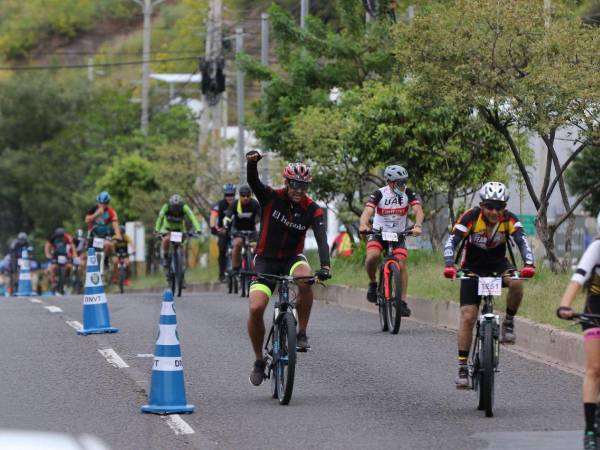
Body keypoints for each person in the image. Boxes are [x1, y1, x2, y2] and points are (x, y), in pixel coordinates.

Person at [245, 150, 331, 386]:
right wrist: (252, 164)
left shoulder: (313, 209)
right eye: (294, 184)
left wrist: (325, 266)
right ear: (286, 182)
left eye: (303, 186)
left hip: (292, 258)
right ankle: (259, 361)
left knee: (305, 279)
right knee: (256, 308)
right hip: (265, 259)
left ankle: (301, 333)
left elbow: (322, 239)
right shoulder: (272, 197)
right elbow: (253, 182)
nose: (298, 190)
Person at [443, 181, 535, 388]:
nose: (494, 211)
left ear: (505, 207)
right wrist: (449, 264)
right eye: (490, 206)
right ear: (482, 205)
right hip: (472, 269)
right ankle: (462, 368)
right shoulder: (470, 217)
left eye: (499, 207)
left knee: (518, 283)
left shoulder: (510, 219)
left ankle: (509, 322)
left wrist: (529, 264)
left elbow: (522, 241)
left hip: (498, 266)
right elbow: (452, 241)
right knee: (468, 316)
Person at [557, 217, 600, 450]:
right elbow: (578, 277)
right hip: (595, 311)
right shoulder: (596, 248)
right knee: (595, 369)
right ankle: (590, 431)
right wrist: (565, 305)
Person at [358, 165, 424, 316]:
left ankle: (401, 302)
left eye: (404, 182)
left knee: (401, 264)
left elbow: (418, 211)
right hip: (378, 234)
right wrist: (363, 224)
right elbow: (367, 211)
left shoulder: (408, 193)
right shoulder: (379, 194)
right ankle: (373, 283)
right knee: (372, 257)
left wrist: (418, 225)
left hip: (398, 235)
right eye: (399, 182)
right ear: (390, 182)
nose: (403, 185)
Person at [154, 194, 202, 270]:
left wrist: (198, 229)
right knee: (166, 239)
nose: (175, 210)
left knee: (182, 244)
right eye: (174, 208)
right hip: (167, 229)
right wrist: (156, 230)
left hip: (179, 230)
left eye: (177, 208)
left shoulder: (184, 207)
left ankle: (181, 267)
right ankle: (165, 257)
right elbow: (160, 218)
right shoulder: (166, 206)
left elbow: (192, 217)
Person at [223, 184, 261, 272]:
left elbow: (262, 216)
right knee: (237, 244)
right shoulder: (235, 204)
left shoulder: (254, 203)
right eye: (243, 196)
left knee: (256, 247)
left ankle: (256, 267)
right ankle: (236, 267)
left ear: (251, 195)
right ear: (239, 196)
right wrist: (226, 224)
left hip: (251, 231)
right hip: (237, 231)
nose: (245, 198)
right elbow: (228, 215)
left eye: (248, 195)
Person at [210, 184, 237, 282]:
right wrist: (214, 228)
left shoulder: (238, 203)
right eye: (227, 195)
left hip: (236, 230)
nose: (230, 197)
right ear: (224, 195)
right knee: (222, 249)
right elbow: (213, 216)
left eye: (231, 195)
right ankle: (222, 274)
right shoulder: (220, 204)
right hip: (223, 231)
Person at [85, 191, 122, 260]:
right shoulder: (93, 209)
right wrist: (97, 214)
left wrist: (118, 235)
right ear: (97, 201)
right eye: (100, 203)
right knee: (106, 245)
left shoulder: (111, 211)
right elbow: (87, 220)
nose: (102, 205)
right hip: (93, 238)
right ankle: (103, 261)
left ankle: (105, 261)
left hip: (105, 237)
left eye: (105, 203)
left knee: (115, 259)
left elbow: (115, 225)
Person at [44, 228, 76, 293]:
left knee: (69, 266)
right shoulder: (53, 237)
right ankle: (53, 282)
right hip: (55, 255)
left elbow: (72, 245)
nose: (60, 237)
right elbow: (47, 245)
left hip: (64, 255)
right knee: (52, 268)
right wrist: (47, 254)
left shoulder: (67, 236)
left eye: (61, 236)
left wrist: (74, 254)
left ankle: (67, 278)